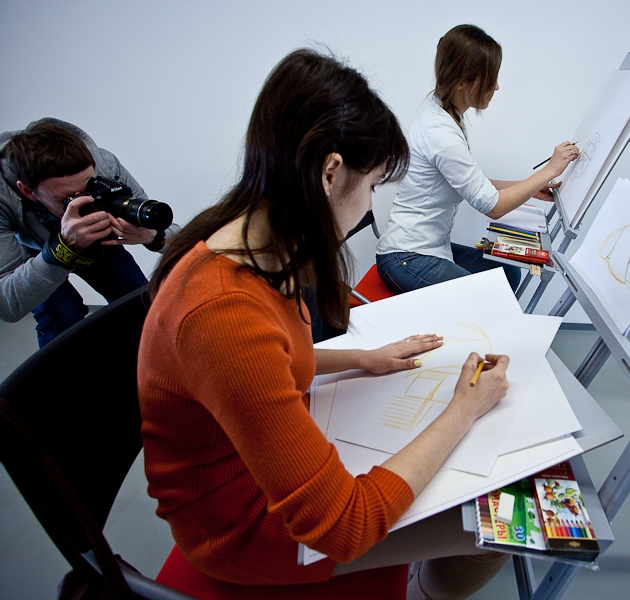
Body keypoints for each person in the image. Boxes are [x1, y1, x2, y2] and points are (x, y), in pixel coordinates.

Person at [138, 49, 511, 599]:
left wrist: (362, 358)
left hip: (259, 476)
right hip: (245, 531)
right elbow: (344, 527)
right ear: (330, 172)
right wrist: (463, 410)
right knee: (498, 528)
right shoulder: (221, 312)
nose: (369, 206)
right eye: (373, 186)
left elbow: (270, 361)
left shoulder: (255, 247)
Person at [375, 24, 579, 294]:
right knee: (486, 295)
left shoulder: (446, 113)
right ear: (462, 81)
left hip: (430, 249)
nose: (496, 86)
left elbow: (474, 183)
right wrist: (549, 170)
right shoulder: (440, 133)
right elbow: (493, 206)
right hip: (406, 257)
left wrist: (531, 186)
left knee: (507, 273)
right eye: (490, 77)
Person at [0, 119, 174, 346]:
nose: (85, 202)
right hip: (34, 251)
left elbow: (172, 231)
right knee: (62, 315)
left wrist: (154, 237)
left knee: (138, 303)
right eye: (68, 199)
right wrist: (61, 250)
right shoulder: (2, 197)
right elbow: (7, 306)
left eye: (90, 189)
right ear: (27, 191)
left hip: (97, 240)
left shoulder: (105, 165)